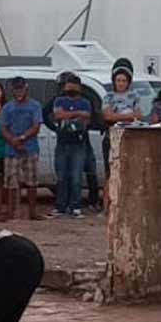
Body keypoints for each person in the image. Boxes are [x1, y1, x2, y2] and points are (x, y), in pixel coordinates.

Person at [0, 77, 44, 220]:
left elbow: (36, 126)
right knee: (11, 182)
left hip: (30, 148)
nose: (19, 92)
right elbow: (4, 128)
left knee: (32, 181)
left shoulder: (35, 105)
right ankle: (12, 211)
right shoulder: (7, 107)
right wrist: (13, 140)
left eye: (21, 89)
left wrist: (21, 138)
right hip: (11, 149)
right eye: (16, 89)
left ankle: (32, 212)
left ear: (26, 88)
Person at [102, 58, 142, 211]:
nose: (121, 83)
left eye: (124, 80)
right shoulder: (108, 97)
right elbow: (108, 116)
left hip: (130, 137)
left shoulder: (135, 96)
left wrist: (118, 115)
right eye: (118, 80)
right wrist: (128, 115)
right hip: (111, 137)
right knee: (110, 173)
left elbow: (138, 115)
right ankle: (107, 207)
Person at [51, 73, 91, 218]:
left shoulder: (85, 102)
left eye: (74, 85)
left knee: (76, 176)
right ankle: (60, 206)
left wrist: (67, 114)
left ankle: (75, 206)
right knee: (61, 176)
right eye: (69, 85)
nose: (71, 88)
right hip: (62, 141)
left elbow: (87, 117)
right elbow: (57, 115)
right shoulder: (59, 100)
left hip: (78, 143)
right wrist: (77, 114)